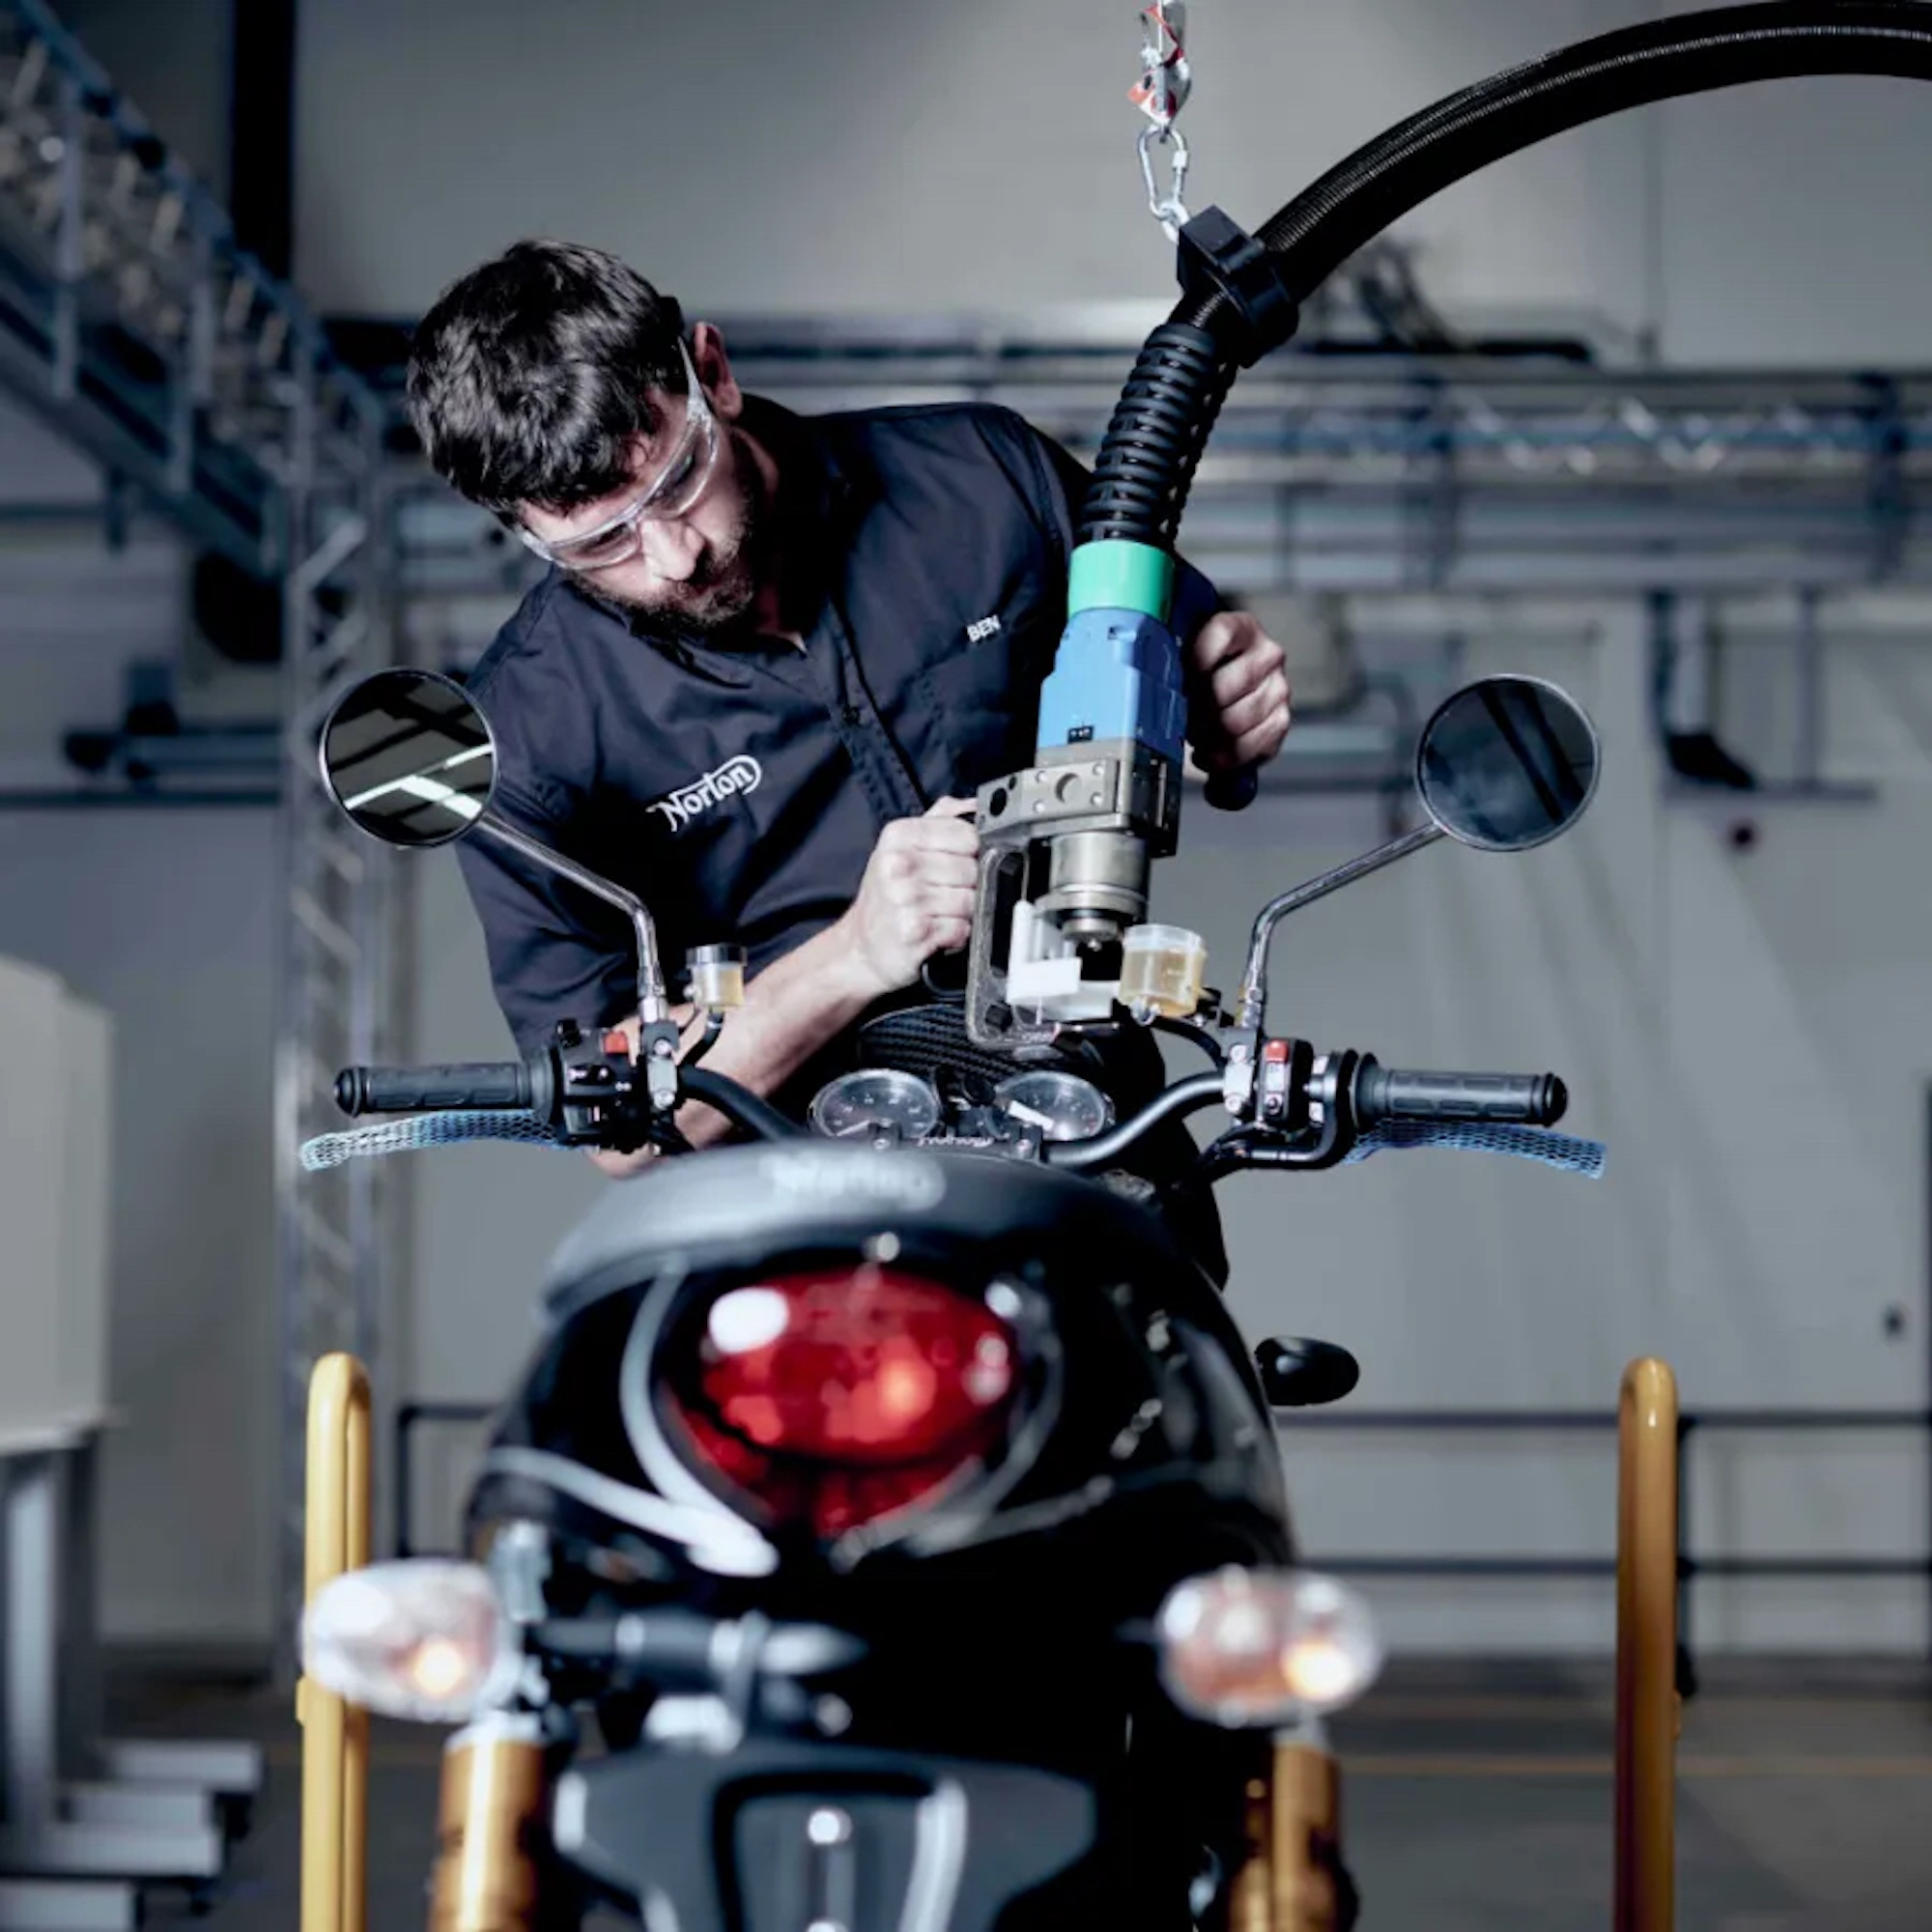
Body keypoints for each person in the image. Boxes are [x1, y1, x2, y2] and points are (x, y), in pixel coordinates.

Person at [405, 241, 1292, 1273]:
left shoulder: (982, 477)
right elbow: (624, 1130)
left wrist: (1227, 693)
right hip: (785, 1207)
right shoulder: (527, 733)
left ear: (712, 371)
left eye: (677, 481)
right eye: (600, 544)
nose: (671, 556)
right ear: (523, 530)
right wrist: (856, 951)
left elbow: (1180, 654)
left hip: (1083, 1123)